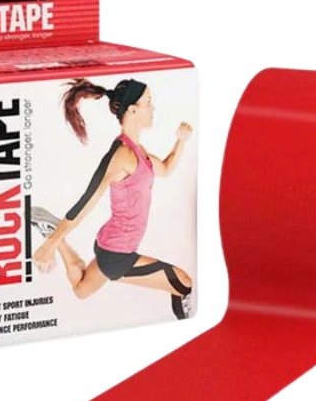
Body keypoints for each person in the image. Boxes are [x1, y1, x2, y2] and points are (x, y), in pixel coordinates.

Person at [31, 77, 194, 319]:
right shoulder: (121, 156)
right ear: (133, 110)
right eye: (148, 102)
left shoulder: (138, 151)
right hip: (117, 254)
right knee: (183, 283)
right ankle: (186, 322)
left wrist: (180, 141)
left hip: (110, 243)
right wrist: (48, 246)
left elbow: (166, 169)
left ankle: (59, 238)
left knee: (81, 290)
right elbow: (86, 202)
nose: (153, 108)